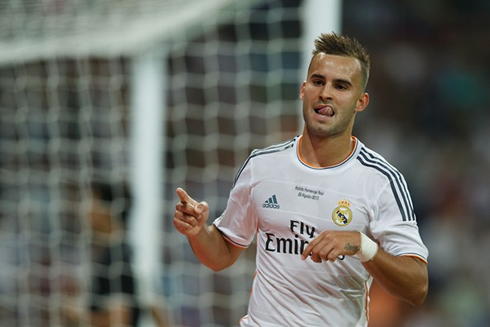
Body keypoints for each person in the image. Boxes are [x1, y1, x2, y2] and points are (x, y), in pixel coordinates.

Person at [173, 33, 428, 326]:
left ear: (361, 102)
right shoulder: (262, 166)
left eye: (340, 86)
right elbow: (223, 253)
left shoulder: (380, 180)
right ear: (303, 89)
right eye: (318, 82)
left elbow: (417, 287)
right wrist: (198, 232)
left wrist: (361, 244)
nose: (326, 93)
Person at [63, 180, 141, 326]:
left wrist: (75, 314)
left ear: (109, 210)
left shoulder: (119, 259)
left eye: (93, 202)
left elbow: (119, 321)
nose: (85, 210)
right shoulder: (112, 254)